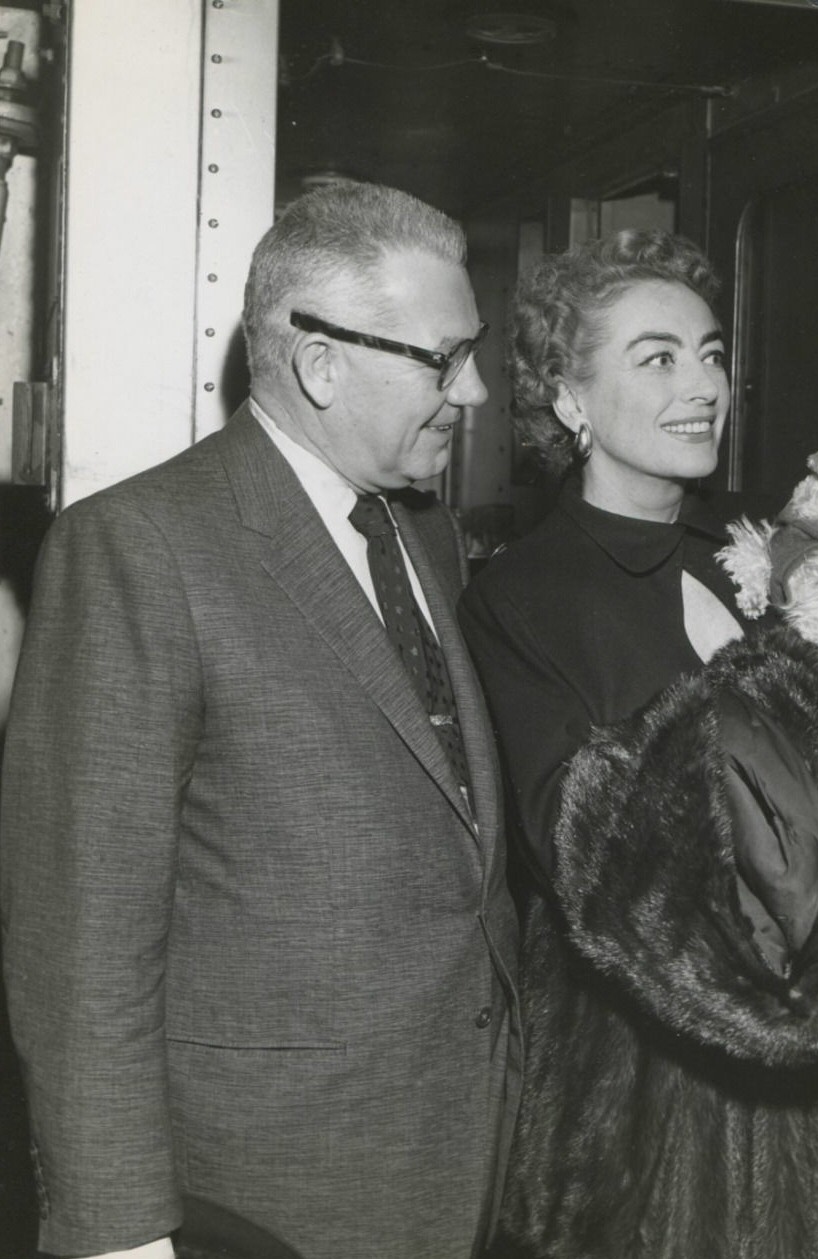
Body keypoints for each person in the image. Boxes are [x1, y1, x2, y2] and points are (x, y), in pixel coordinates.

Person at [1, 181, 521, 1259]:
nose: (470, 390)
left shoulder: (423, 534)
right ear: (321, 363)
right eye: (443, 357)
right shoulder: (140, 546)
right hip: (254, 1194)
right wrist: (118, 1234)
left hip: (452, 1165)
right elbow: (79, 937)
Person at [458, 229, 818, 1258]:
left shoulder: (753, 561)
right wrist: (792, 677)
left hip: (815, 1095)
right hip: (645, 1117)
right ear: (568, 399)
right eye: (654, 357)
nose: (700, 383)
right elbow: (595, 862)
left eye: (709, 355)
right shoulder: (519, 600)